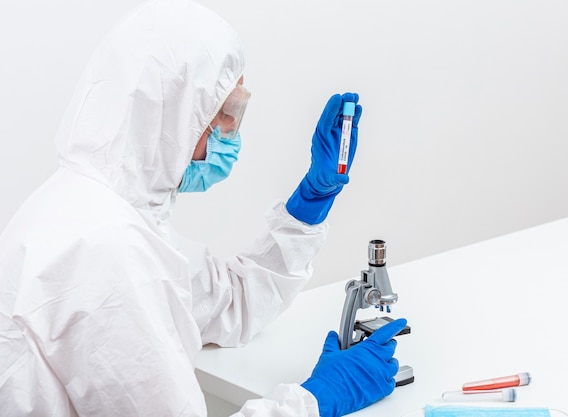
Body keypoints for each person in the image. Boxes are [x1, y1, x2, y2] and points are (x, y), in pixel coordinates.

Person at [0, 1, 406, 416]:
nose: (229, 133)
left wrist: (310, 201)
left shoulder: (96, 209)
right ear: (172, 112)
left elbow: (230, 301)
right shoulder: (106, 250)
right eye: (225, 112)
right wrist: (316, 400)